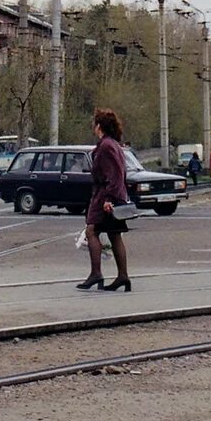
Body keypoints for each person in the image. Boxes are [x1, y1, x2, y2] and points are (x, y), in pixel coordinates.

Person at [77, 108, 132, 293]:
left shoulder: (106, 146)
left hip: (106, 197)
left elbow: (112, 174)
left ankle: (96, 273)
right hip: (115, 195)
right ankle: (123, 276)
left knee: (91, 230)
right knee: (114, 234)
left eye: (95, 123)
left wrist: (108, 199)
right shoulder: (114, 144)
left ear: (99, 126)